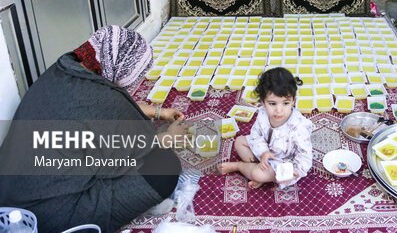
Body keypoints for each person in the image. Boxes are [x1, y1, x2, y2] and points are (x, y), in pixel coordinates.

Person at [0, 26, 190, 233]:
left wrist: (157, 112)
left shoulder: (64, 68)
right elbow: (143, 147)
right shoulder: (105, 100)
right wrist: (169, 137)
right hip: (52, 217)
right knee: (164, 164)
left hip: (12, 197)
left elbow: (89, 111)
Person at [221, 67, 313, 189]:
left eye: (285, 103)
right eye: (272, 103)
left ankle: (239, 166)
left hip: (283, 162)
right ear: (263, 102)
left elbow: (305, 155)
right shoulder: (263, 114)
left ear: (293, 100)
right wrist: (263, 152)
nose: (279, 110)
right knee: (239, 142)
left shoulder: (298, 126)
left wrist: (295, 170)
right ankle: (259, 170)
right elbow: (256, 134)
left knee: (257, 173)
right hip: (265, 151)